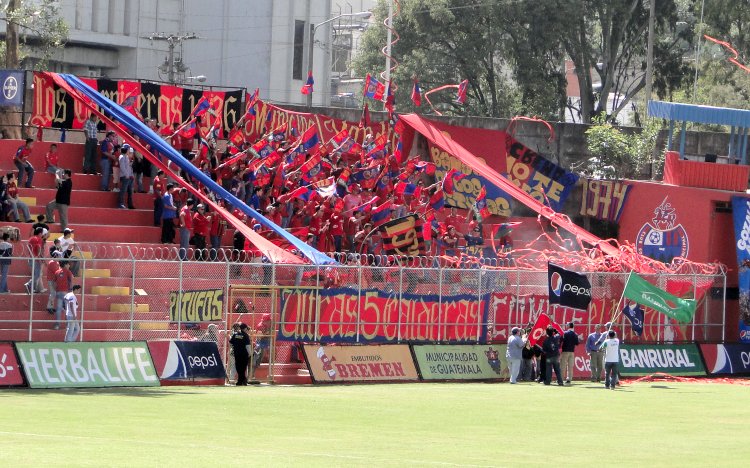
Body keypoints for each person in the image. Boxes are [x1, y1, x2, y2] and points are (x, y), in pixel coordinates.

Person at [249, 314, 272, 382]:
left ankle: (252, 376)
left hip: (265, 344)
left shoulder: (268, 325)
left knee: (258, 362)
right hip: (260, 345)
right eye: (268, 320)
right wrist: (266, 333)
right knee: (255, 362)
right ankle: (251, 376)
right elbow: (259, 336)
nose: (269, 322)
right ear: (265, 321)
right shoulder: (260, 326)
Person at [53, 261, 74, 330]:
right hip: (66, 293)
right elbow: (71, 282)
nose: (69, 265)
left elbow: (54, 283)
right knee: (68, 309)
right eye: (68, 264)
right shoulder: (68, 272)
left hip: (58, 292)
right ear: (65, 265)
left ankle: (57, 325)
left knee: (58, 309)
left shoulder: (57, 272)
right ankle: (68, 325)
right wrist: (71, 291)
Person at [25, 227, 45, 294]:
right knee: (38, 275)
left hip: (30, 258)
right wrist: (40, 258)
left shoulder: (31, 238)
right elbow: (38, 249)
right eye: (42, 233)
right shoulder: (38, 239)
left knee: (35, 274)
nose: (42, 235)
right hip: (35, 259)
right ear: (40, 233)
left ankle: (32, 289)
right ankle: (29, 284)